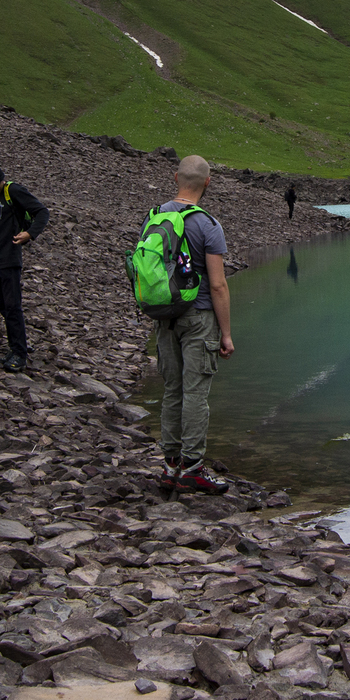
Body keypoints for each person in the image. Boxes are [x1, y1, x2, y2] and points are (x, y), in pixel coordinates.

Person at [155, 154, 234, 494]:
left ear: (175, 178)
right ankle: (193, 468)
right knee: (195, 395)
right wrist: (226, 334)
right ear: (208, 182)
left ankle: (170, 465)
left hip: (164, 316)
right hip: (198, 318)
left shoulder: (156, 215)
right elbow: (217, 285)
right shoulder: (207, 224)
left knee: (172, 390)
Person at [0, 164, 50, 372]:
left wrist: (30, 234)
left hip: (9, 257)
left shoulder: (13, 191)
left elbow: (42, 212)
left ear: (2, 181)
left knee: (12, 305)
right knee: (2, 306)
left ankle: (19, 353)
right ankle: (18, 343)